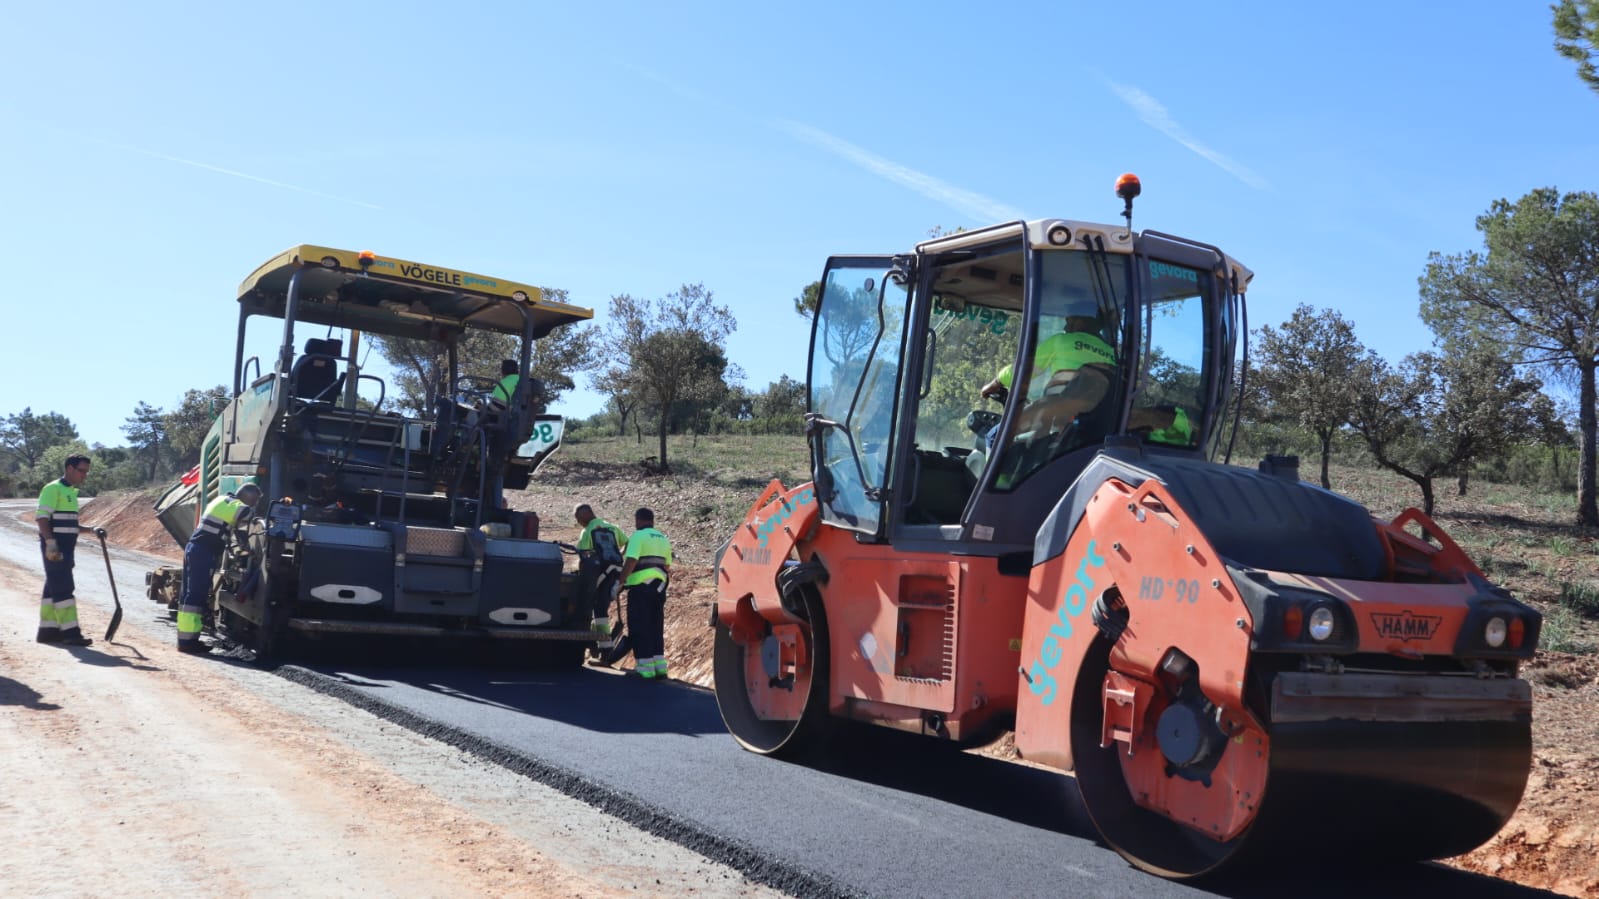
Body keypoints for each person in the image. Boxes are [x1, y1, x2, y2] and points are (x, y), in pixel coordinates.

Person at [979, 299, 1116, 436]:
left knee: (994, 436)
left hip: (1056, 412)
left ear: (1080, 322)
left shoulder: (1062, 341)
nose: (1065, 328)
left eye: (1068, 321)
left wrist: (996, 383)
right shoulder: (1111, 353)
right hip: (1094, 423)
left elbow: (1024, 371)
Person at [177, 482, 262, 654]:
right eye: (255, 501)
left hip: (195, 549)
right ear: (249, 498)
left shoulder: (222, 500)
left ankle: (186, 639)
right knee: (196, 595)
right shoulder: (236, 506)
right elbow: (248, 514)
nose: (254, 504)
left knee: (189, 595)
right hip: (203, 552)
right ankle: (187, 643)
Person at [35, 455, 104, 646]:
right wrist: (50, 543)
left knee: (53, 587)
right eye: (82, 471)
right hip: (55, 548)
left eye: (86, 471)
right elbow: (42, 518)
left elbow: (69, 524)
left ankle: (47, 632)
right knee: (64, 588)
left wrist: (90, 529)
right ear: (70, 468)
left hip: (66, 547)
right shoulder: (53, 488)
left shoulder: (71, 492)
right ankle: (71, 634)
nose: (85, 475)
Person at [616, 507, 672, 680]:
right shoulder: (663, 538)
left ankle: (645, 668)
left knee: (640, 625)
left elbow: (632, 560)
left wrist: (621, 581)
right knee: (655, 625)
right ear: (652, 520)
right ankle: (660, 667)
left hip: (640, 587)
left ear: (638, 520)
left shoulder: (637, 536)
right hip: (659, 587)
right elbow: (667, 565)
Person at [573, 503, 628, 638]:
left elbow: (583, 555)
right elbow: (627, 541)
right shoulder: (612, 527)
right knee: (601, 605)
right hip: (616, 572)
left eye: (577, 518)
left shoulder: (587, 531)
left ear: (583, 516)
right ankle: (596, 640)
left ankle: (604, 646)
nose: (578, 522)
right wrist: (620, 556)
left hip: (601, 574)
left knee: (595, 607)